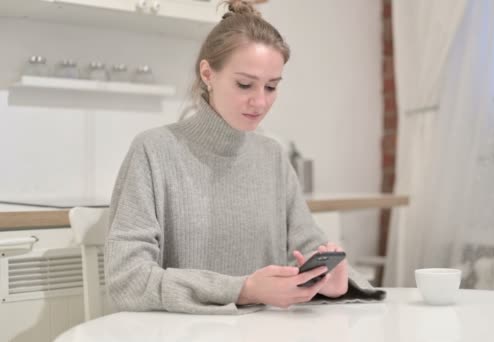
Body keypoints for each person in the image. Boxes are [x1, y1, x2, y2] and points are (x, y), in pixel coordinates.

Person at [104, 0, 384, 315]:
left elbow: (307, 253)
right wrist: (243, 290)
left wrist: (331, 285)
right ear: (207, 73)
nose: (260, 101)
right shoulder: (154, 150)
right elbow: (127, 280)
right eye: (244, 84)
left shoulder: (272, 157)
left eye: (272, 87)